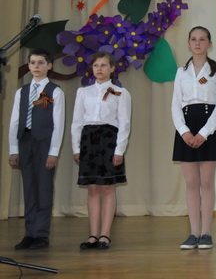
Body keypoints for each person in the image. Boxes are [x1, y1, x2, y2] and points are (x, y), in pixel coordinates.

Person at [172, 26, 216, 250]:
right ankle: (193, 233)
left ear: (209, 44)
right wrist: (184, 131)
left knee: (206, 182)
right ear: (188, 43)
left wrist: (204, 133)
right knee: (191, 183)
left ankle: (206, 233)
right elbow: (175, 104)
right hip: (186, 127)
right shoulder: (181, 72)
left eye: (202, 39)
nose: (197, 43)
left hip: (208, 127)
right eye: (193, 39)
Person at [71, 51, 132, 250]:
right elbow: (77, 122)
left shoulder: (121, 93)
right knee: (92, 188)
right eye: (96, 65)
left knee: (107, 188)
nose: (99, 69)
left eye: (104, 65)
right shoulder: (83, 92)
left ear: (112, 68)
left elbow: (124, 123)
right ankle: (93, 235)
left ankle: (105, 234)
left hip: (109, 140)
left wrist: (119, 150)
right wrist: (76, 147)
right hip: (88, 140)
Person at [8, 49, 65, 250]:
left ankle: (41, 234)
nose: (36, 66)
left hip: (44, 143)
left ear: (49, 65)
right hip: (26, 141)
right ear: (29, 66)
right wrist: (14, 149)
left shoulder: (55, 91)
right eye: (33, 62)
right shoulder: (21, 92)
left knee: (44, 188)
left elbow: (59, 124)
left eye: (41, 62)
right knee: (29, 188)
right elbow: (15, 121)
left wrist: (53, 152)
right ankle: (29, 233)